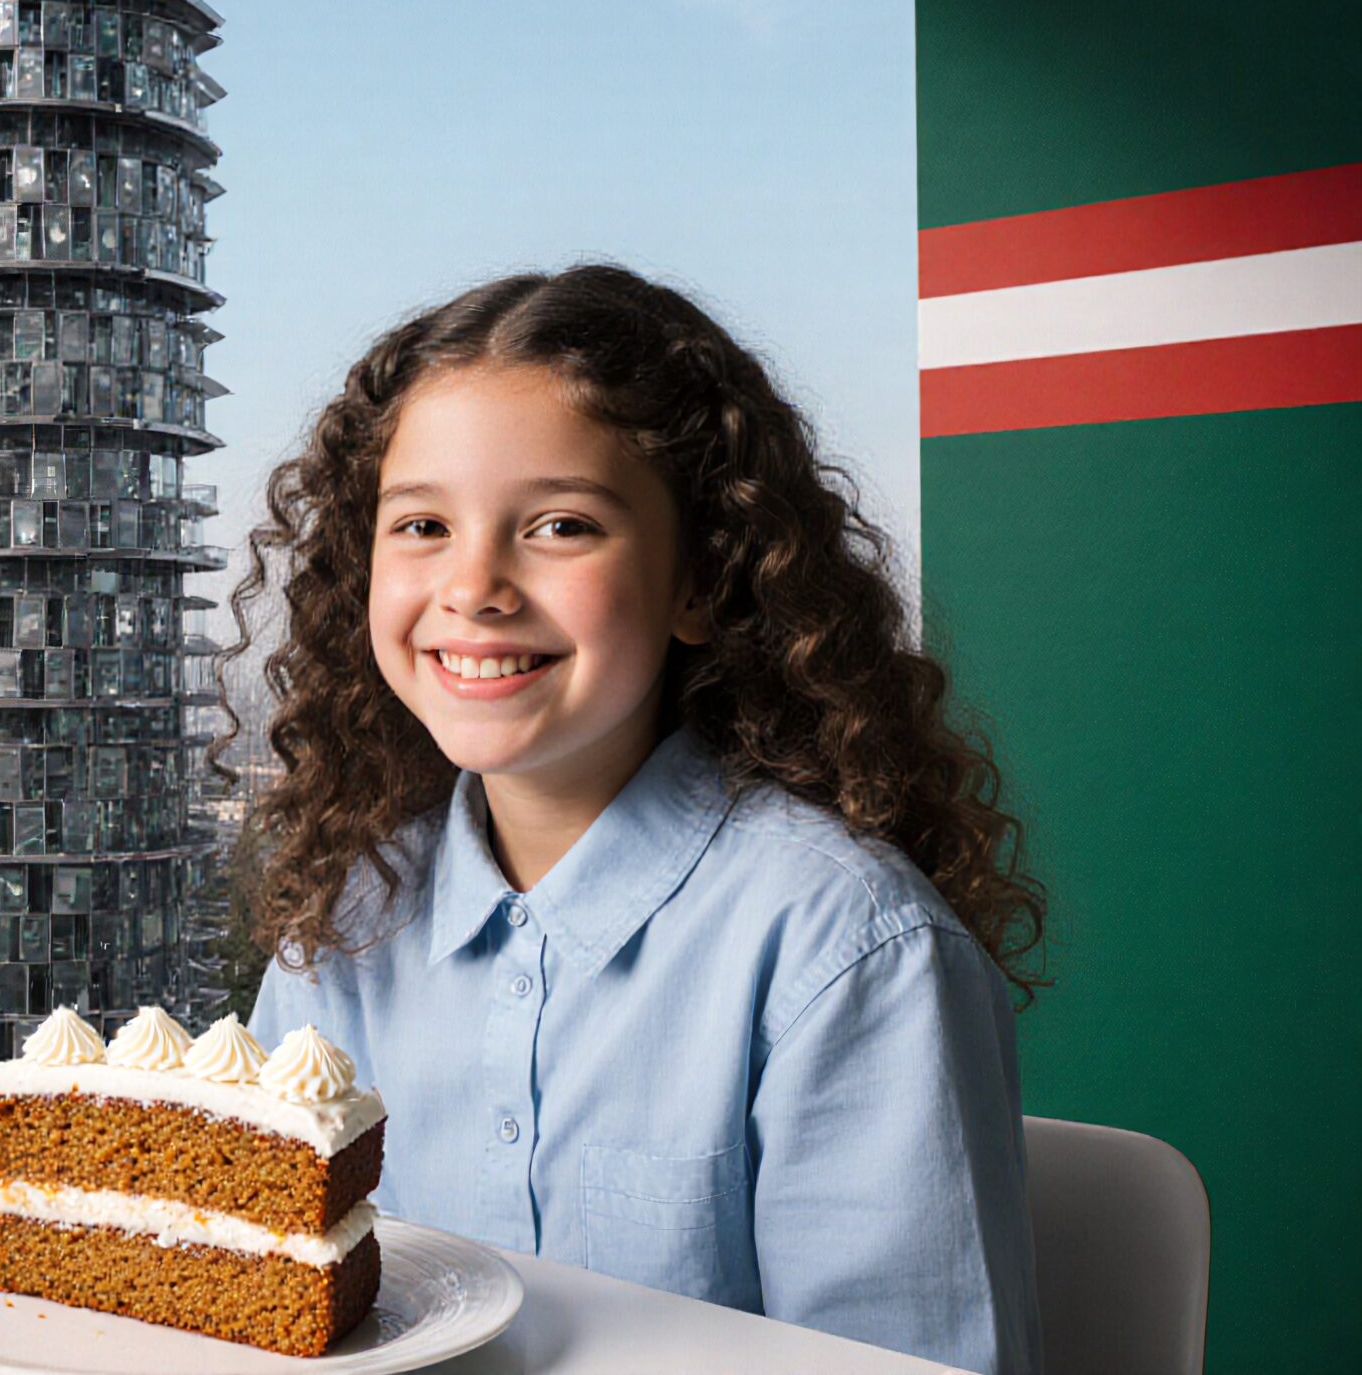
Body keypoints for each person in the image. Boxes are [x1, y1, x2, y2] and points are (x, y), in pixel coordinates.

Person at [235, 264, 1045, 1374]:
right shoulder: (345, 924)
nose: (474, 586)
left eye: (560, 525)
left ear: (700, 581)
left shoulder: (848, 952)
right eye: (422, 523)